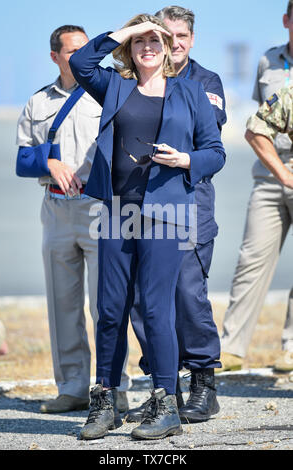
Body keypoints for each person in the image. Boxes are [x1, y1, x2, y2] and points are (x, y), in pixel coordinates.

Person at [69, 13, 225, 441]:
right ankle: (104, 401)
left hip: (167, 214)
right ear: (130, 48)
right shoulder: (115, 86)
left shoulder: (191, 92)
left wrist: (186, 160)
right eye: (141, 41)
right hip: (118, 212)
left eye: (156, 40)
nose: (149, 47)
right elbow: (82, 63)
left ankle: (164, 402)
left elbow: (216, 151)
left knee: (157, 308)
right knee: (110, 309)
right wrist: (128, 28)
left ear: (169, 48)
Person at [16, 25, 131, 415]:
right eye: (72, 52)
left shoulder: (109, 88)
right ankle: (72, 388)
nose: (83, 57)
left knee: (108, 305)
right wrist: (47, 161)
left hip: (100, 209)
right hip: (56, 209)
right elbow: (22, 158)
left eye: (87, 50)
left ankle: (114, 388)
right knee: (62, 304)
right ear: (55, 57)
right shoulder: (37, 102)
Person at [127, 5, 227, 424]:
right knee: (140, 299)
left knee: (187, 293)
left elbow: (207, 138)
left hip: (188, 199)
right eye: (165, 34)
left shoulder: (203, 83)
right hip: (139, 204)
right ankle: (163, 390)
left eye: (181, 35)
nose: (175, 42)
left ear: (190, 38)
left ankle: (204, 382)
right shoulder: (133, 80)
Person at [220, 0, 293, 373]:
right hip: (269, 171)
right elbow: (259, 118)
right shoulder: (268, 61)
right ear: (286, 20)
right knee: (251, 257)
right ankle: (231, 348)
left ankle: (291, 349)